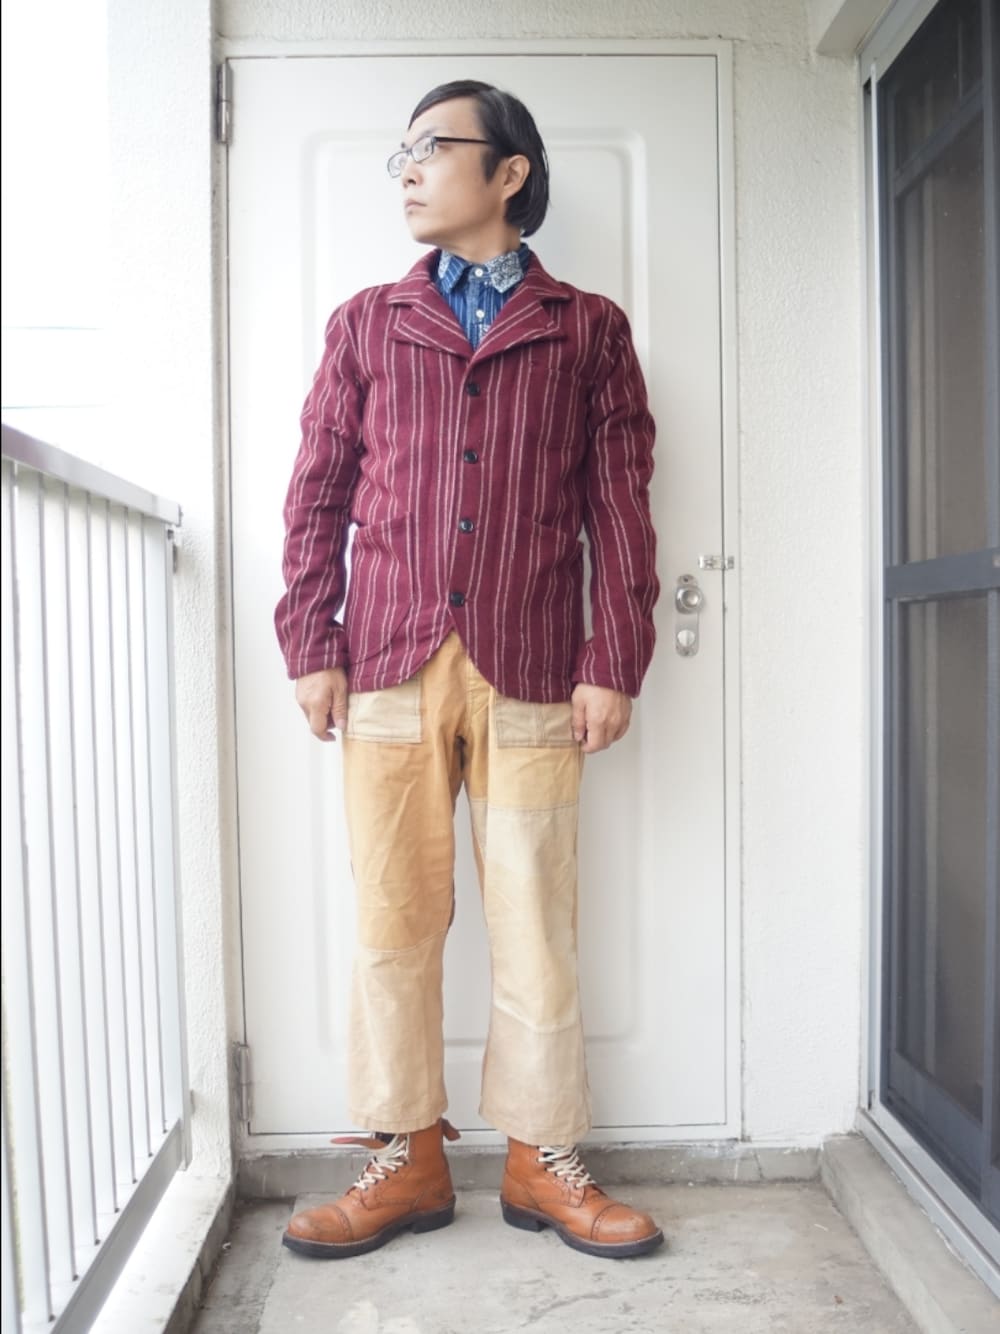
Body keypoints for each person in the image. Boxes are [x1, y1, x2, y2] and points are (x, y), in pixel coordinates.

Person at [275, 79, 662, 1261]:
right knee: (393, 918)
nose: (407, 168)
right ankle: (406, 1155)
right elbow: (318, 490)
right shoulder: (368, 323)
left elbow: (619, 504)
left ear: (508, 172)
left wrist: (614, 654)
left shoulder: (587, 329)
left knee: (536, 917)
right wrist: (311, 639)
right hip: (387, 663)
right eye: (401, 151)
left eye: (432, 147)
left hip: (535, 664)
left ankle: (543, 1158)